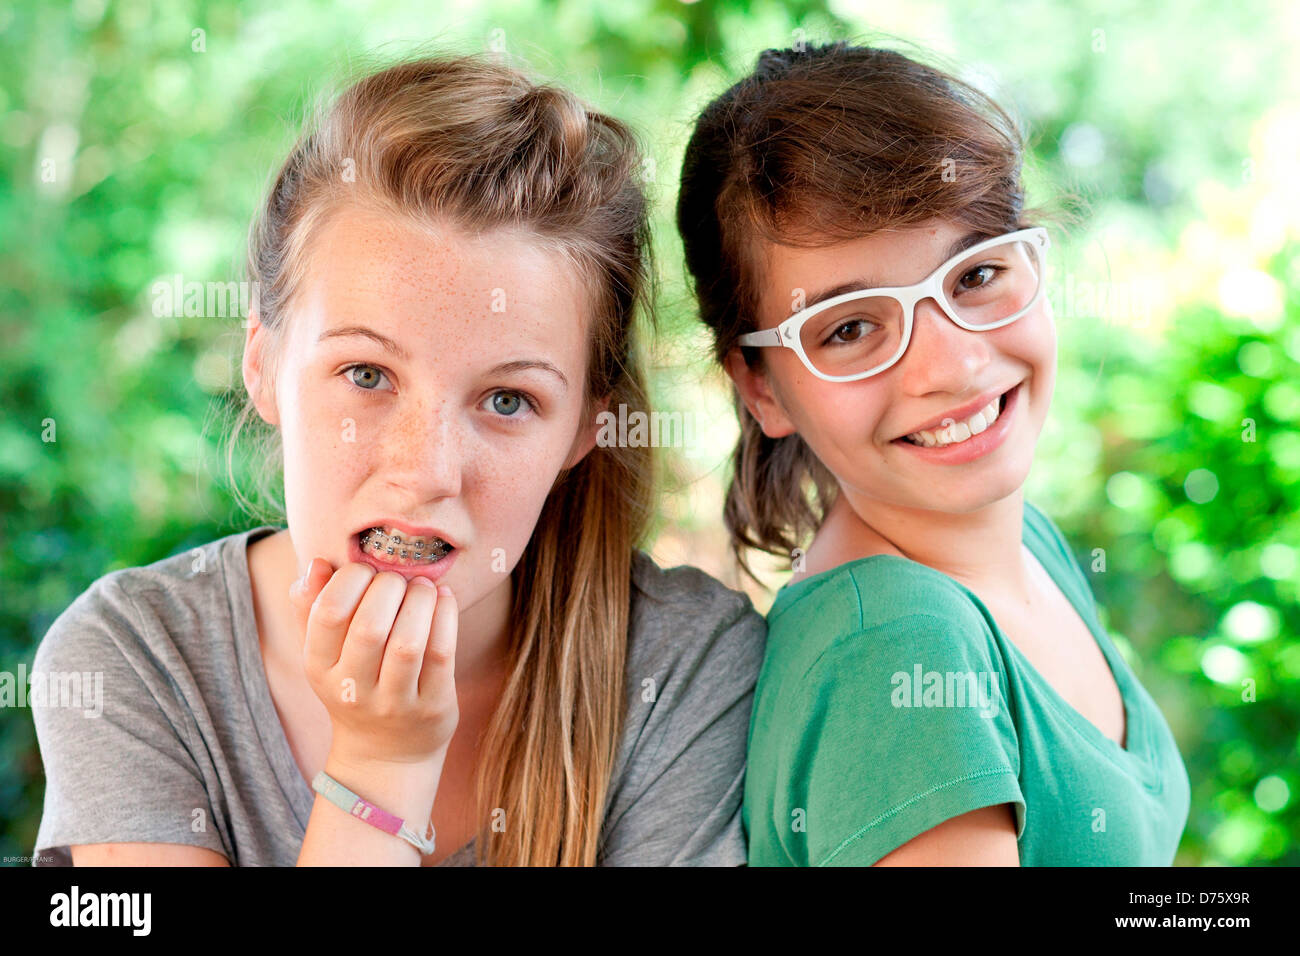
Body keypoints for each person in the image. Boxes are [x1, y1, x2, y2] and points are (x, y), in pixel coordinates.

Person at [31, 53, 765, 867]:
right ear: (263, 366)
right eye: (367, 375)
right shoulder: (139, 659)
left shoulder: (683, 666)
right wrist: (381, 769)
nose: (426, 471)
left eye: (508, 400)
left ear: (587, 430)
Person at [676, 41, 1190, 866]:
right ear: (761, 387)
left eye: (975, 275)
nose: (950, 365)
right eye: (848, 329)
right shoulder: (897, 652)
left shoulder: (1026, 542)